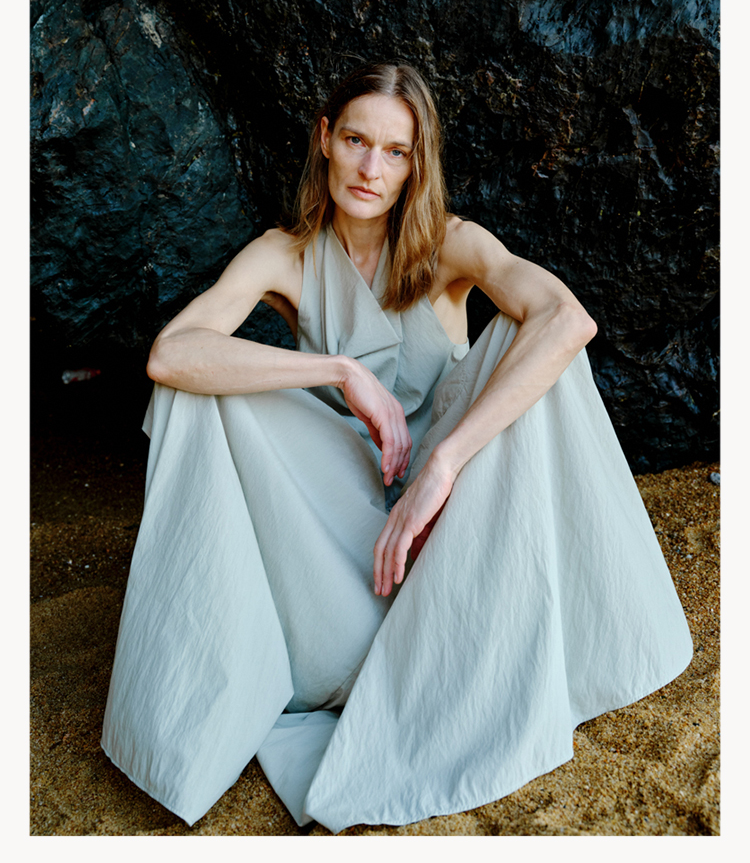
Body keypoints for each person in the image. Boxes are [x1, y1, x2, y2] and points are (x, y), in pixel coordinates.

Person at [101, 62, 693, 832]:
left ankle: (526, 634)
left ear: (416, 164)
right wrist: (338, 370)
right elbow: (171, 352)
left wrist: (444, 463)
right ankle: (204, 690)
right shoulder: (285, 255)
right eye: (356, 140)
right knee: (194, 387)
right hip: (343, 529)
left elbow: (568, 319)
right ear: (325, 138)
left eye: (394, 151)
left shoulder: (450, 244)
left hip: (459, 522)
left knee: (533, 340)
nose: (370, 169)